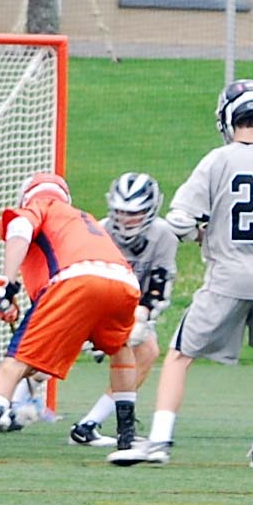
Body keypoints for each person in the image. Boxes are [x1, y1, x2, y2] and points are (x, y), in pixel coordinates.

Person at [109, 79, 253, 469]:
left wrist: (203, 234)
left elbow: (179, 221)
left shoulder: (218, 161)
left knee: (179, 355)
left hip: (228, 279)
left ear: (227, 117)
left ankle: (158, 441)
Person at [0, 172, 143, 459]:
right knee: (120, 351)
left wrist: (7, 283)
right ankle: (127, 439)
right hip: (124, 281)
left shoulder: (41, 206)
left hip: (76, 281)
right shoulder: (82, 218)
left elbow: (21, 227)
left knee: (13, 363)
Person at [68, 171, 177, 447]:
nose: (126, 219)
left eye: (134, 213)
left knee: (146, 350)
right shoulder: (101, 231)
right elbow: (86, 279)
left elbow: (159, 286)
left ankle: (89, 424)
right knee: (45, 360)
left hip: (128, 310)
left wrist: (141, 316)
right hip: (90, 304)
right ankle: (11, 401)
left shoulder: (163, 235)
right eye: (121, 212)